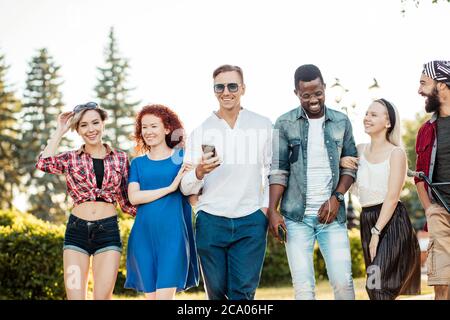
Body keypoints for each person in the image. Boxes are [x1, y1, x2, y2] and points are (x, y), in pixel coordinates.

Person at [180, 65, 272, 300]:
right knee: (217, 296)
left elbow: (273, 170)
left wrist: (265, 208)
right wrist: (200, 171)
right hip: (211, 221)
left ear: (243, 88)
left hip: (251, 219)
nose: (226, 92)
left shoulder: (261, 124)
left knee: (242, 295)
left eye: (232, 86)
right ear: (214, 90)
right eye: (219, 87)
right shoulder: (200, 131)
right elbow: (186, 186)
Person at [268, 64, 357, 300]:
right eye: (306, 95)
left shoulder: (341, 122)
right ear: (296, 93)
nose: (313, 99)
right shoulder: (284, 123)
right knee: (304, 288)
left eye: (318, 92)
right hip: (295, 218)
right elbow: (278, 170)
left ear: (325, 87)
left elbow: (349, 166)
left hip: (332, 217)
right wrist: (273, 211)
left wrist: (337, 197)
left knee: (343, 283)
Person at [36, 102, 136, 300]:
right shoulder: (71, 158)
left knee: (102, 297)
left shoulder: (121, 159)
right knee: (74, 297)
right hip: (76, 233)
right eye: (83, 125)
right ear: (78, 130)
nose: (91, 129)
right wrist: (60, 130)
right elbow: (43, 163)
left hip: (108, 233)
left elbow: (127, 203)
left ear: (103, 124)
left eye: (95, 123)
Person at [340, 98, 421, 300]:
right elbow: (345, 181)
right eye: (367, 113)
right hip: (367, 219)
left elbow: (392, 198)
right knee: (373, 286)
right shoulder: (358, 150)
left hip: (392, 221)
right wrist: (342, 161)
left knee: (380, 285)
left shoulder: (396, 153)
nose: (367, 118)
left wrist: (376, 232)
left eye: (374, 114)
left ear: (388, 122)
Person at [124, 104, 199, 300]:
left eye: (154, 126)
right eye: (144, 127)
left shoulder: (182, 158)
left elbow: (193, 196)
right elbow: (134, 198)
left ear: (167, 128)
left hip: (173, 236)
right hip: (143, 237)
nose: (148, 131)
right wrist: (169, 188)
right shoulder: (138, 163)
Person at [415, 60, 450, 300]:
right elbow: (419, 176)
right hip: (440, 213)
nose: (419, 90)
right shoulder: (426, 129)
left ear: (443, 85)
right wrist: (430, 209)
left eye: (423, 83)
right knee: (442, 283)